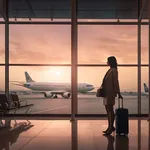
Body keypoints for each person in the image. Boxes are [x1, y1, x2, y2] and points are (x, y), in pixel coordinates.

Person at [101, 56, 123, 135]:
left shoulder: (114, 71)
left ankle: (111, 127)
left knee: (110, 110)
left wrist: (118, 93)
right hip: (107, 93)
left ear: (110, 62)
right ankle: (110, 126)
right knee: (108, 110)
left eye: (107, 61)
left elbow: (116, 82)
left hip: (110, 93)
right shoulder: (110, 70)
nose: (107, 62)